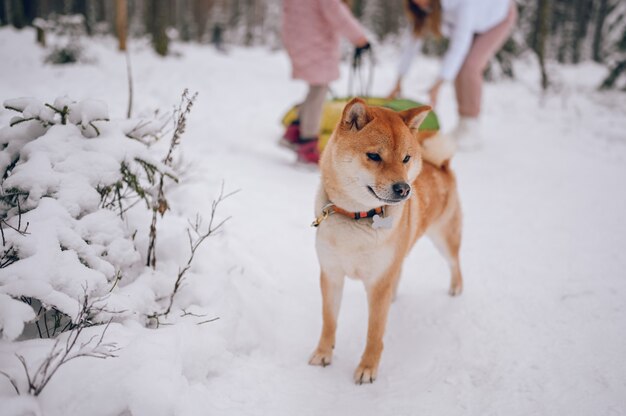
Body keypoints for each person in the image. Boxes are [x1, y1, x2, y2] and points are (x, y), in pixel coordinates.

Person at [388, 0, 517, 150]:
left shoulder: (461, 4)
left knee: (470, 66)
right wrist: (398, 81)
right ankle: (463, 125)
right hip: (476, 22)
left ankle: (471, 127)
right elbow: (411, 45)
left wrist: (438, 84)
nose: (418, 2)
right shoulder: (422, 9)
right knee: (460, 66)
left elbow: (459, 46)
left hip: (498, 17)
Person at [282, 0, 370, 163]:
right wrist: (359, 38)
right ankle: (307, 143)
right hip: (316, 44)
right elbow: (338, 15)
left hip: (300, 41)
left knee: (315, 88)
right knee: (319, 90)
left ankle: (295, 130)